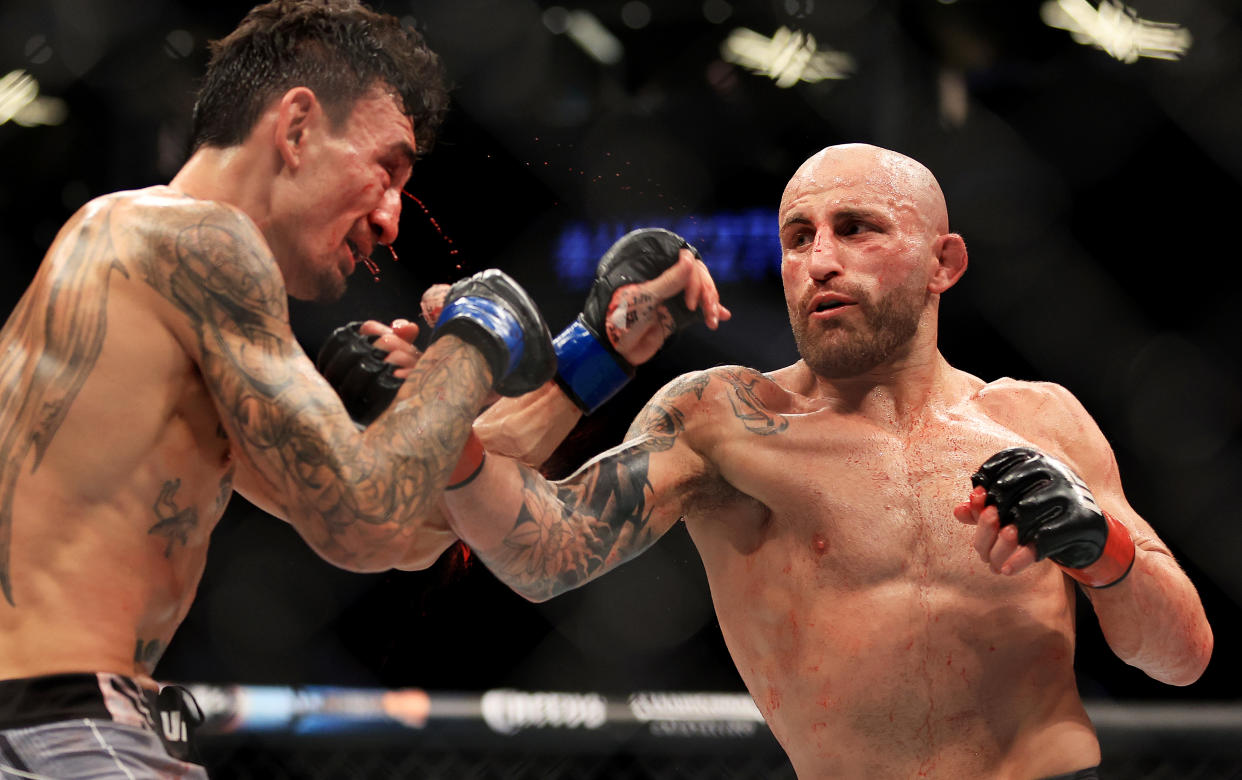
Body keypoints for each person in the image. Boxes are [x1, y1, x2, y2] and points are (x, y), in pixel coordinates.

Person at [0, 0, 727, 778]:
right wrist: (475, 339)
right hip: (56, 728)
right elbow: (364, 513)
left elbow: (400, 534)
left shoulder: (157, 292)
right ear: (298, 127)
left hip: (60, 724)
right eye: (387, 169)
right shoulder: (191, 241)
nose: (391, 219)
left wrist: (592, 357)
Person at [439, 143, 1214, 779]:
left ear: (943, 262)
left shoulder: (1041, 418)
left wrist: (1103, 550)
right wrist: (444, 413)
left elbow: (1181, 659)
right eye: (798, 237)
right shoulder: (721, 418)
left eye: (856, 228)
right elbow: (539, 556)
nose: (819, 261)